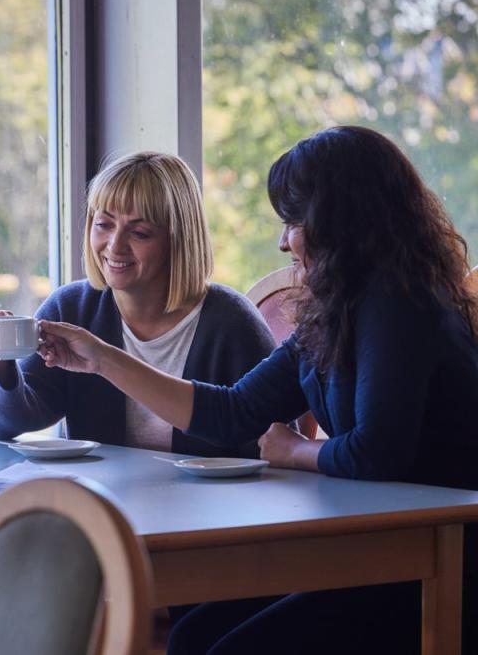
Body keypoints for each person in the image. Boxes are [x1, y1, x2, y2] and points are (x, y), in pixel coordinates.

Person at [38, 126, 478, 654]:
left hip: (441, 560)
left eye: (294, 221)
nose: (282, 240)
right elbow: (233, 411)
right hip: (381, 544)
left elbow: (377, 451)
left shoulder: (399, 303)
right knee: (194, 634)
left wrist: (297, 451)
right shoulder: (339, 308)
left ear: (341, 222)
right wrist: (104, 359)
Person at [0, 151, 277, 655]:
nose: (113, 246)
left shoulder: (230, 322)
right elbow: (11, 424)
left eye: (139, 232)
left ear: (178, 239)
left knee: (200, 633)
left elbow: (263, 438)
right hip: (99, 525)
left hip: (201, 540)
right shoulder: (74, 307)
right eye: (103, 224)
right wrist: (2, 354)